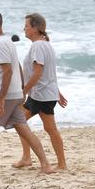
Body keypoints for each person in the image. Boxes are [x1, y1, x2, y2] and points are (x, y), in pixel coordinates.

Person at [0, 10, 54, 175]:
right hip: (13, 94)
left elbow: (8, 71)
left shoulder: (1, 44)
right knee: (23, 128)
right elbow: (16, 65)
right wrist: (21, 89)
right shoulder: (6, 42)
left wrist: (1, 99)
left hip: (2, 96)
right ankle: (45, 165)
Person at [13, 13, 68, 170]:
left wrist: (24, 90)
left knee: (43, 127)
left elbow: (38, 73)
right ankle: (26, 158)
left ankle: (61, 163)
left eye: (26, 26)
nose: (24, 28)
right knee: (21, 122)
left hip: (41, 96)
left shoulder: (38, 46)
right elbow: (48, 74)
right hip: (44, 93)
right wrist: (57, 92)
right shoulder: (45, 44)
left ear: (35, 28)